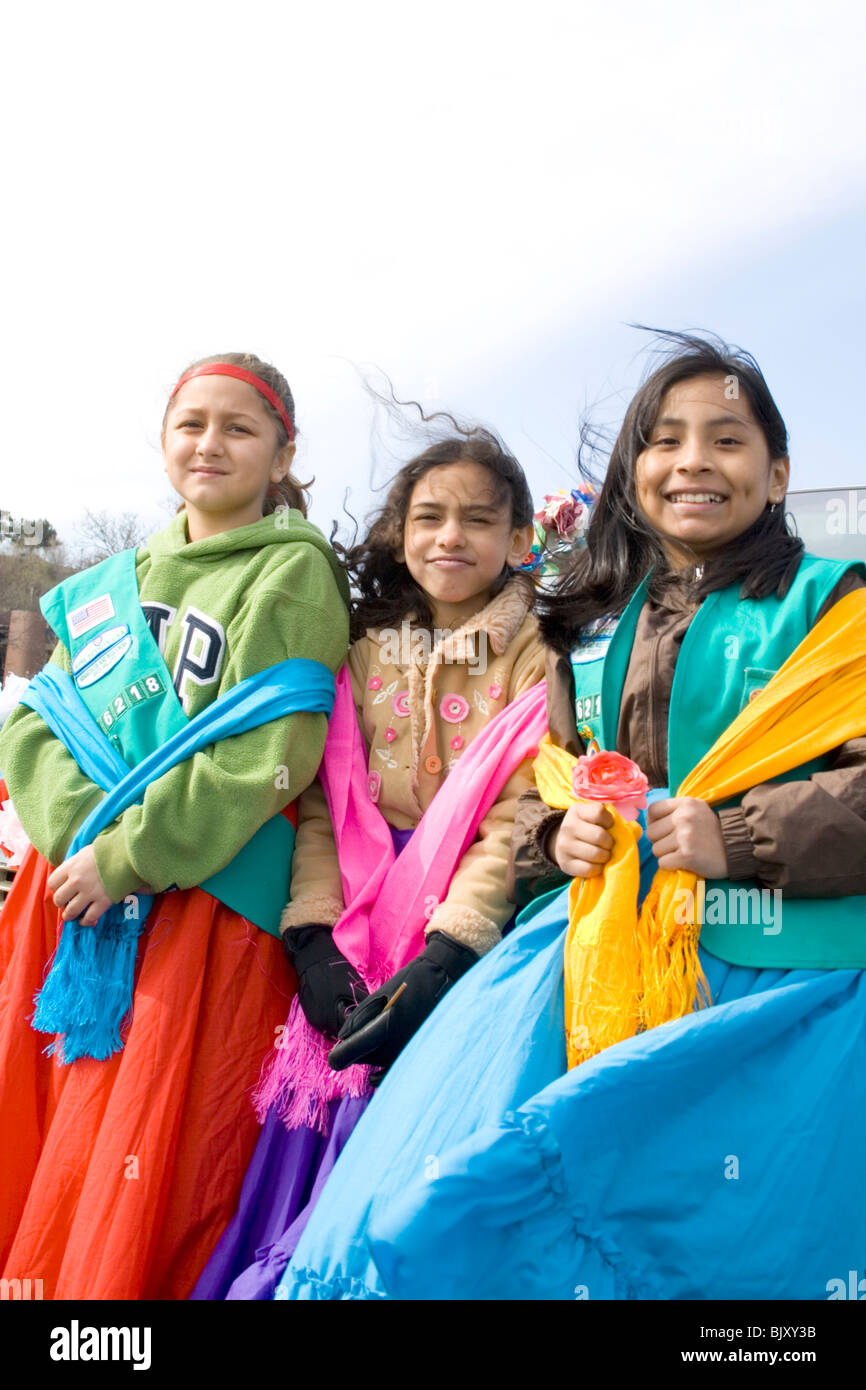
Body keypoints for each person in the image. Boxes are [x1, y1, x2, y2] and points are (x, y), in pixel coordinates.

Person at [271, 331, 866, 1301]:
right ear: (632, 476)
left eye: (724, 438)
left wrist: (741, 836)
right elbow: (546, 799)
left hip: (783, 984)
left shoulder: (830, 607)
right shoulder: (590, 633)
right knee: (434, 1210)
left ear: (777, 470)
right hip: (583, 965)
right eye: (662, 440)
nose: (691, 461)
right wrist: (561, 838)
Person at [0, 353, 349, 1299]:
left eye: (240, 427)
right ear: (163, 442)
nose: (211, 443)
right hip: (74, 893)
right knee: (51, 1132)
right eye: (192, 423)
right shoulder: (109, 583)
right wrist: (88, 838)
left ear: (282, 454)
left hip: (199, 902)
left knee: (157, 1155)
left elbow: (271, 752)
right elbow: (36, 725)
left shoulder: (292, 574)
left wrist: (132, 854)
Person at [193, 424, 548, 1299]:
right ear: (400, 533)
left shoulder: (537, 660)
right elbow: (321, 808)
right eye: (428, 517)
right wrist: (311, 938)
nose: (450, 538)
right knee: (303, 1157)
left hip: (462, 945)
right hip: (350, 930)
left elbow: (513, 818)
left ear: (519, 539)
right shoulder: (359, 651)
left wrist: (447, 951)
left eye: (477, 519)